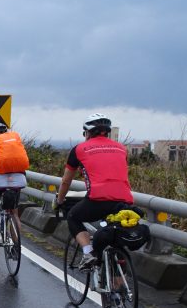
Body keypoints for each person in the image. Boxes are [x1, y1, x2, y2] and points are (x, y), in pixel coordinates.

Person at [55, 114, 134, 269]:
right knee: (114, 236)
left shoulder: (79, 149)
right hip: (124, 200)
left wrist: (59, 201)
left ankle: (88, 253)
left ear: (87, 133)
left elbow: (66, 181)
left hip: (98, 199)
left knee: (73, 216)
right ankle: (119, 289)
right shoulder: (122, 148)